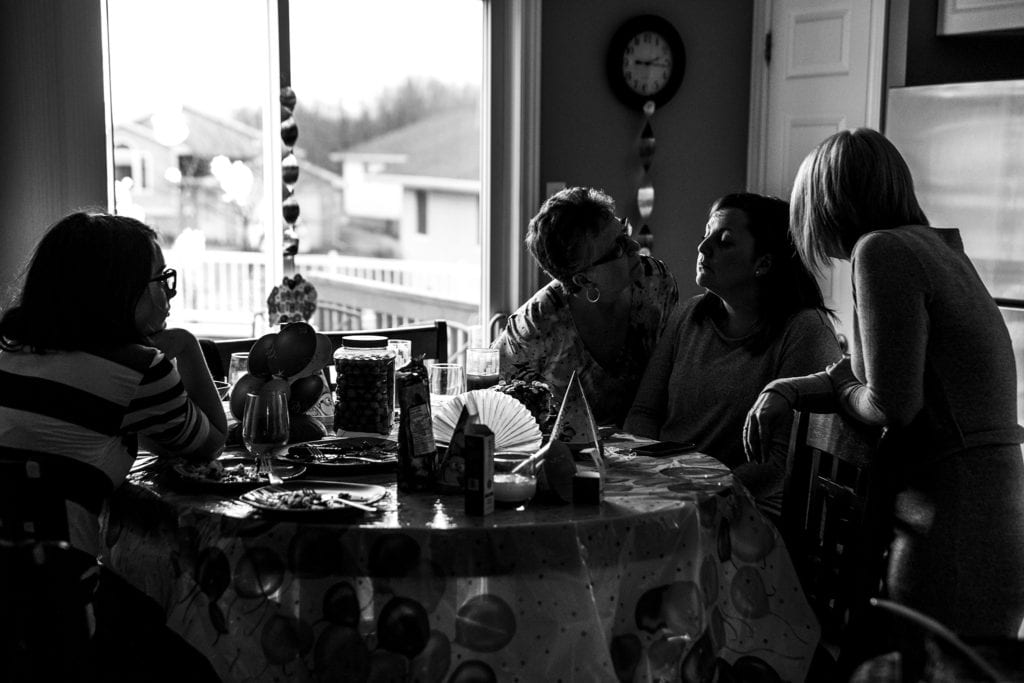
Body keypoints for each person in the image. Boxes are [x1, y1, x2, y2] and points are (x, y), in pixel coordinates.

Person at [743, 128, 1024, 643]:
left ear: (828, 203)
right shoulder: (935, 249)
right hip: (995, 509)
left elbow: (890, 402)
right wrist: (796, 389)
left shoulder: (881, 252)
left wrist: (845, 394)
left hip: (953, 518)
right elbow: (870, 367)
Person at [0, 211, 226, 680]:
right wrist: (185, 345)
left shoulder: (9, 353)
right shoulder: (140, 371)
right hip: (62, 611)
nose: (167, 294)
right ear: (118, 290)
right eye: (161, 280)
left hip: (10, 598)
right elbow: (209, 442)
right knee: (200, 661)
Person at [624, 192, 842, 516]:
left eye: (724, 241)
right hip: (669, 496)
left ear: (764, 263)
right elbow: (644, 412)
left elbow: (781, 464)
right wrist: (647, 477)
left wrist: (698, 495)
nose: (702, 248)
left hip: (750, 509)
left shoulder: (805, 331)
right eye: (705, 236)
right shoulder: (689, 315)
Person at [494, 186, 678, 427]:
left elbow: (669, 378)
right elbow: (494, 409)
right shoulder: (536, 325)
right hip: (565, 456)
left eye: (624, 231)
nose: (634, 246)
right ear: (583, 279)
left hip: (645, 445)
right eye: (618, 247)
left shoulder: (655, 282)